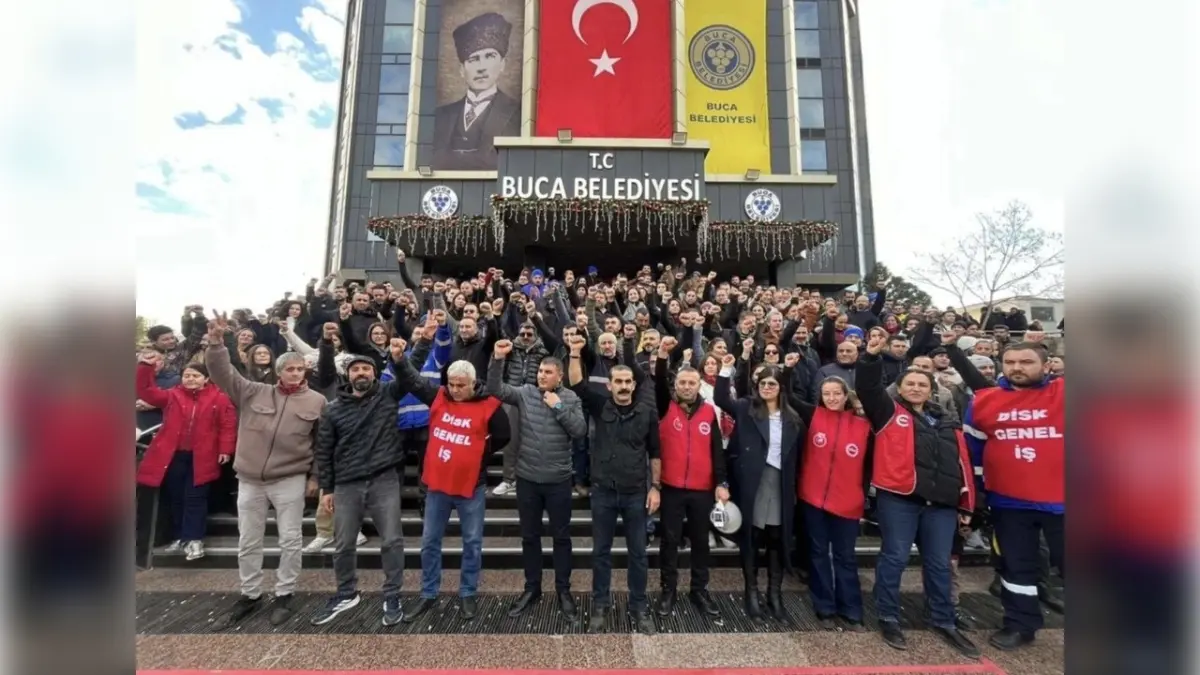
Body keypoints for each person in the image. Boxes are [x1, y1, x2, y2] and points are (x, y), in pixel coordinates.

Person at [854, 333, 980, 659]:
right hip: (900, 499)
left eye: (922, 385)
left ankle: (942, 618)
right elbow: (867, 388)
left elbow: (961, 463)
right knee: (894, 559)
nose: (916, 388)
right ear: (900, 387)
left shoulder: (947, 420)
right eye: (909, 383)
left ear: (932, 389)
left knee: (939, 564)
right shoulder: (887, 412)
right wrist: (870, 357)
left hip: (941, 504)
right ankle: (888, 616)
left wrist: (965, 503)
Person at [205, 316, 329, 630]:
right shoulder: (252, 391)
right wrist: (218, 343)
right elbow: (222, 373)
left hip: (289, 478)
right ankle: (250, 593)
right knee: (248, 540)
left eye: (300, 369)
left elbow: (322, 443)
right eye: (290, 369)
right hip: (249, 479)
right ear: (279, 371)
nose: (295, 374)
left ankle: (285, 593)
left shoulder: (318, 401)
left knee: (290, 540)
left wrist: (316, 477)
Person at [949, 333, 1065, 651]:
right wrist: (977, 498)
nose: (1017, 368)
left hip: (1065, 501)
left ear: (1047, 365)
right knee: (1016, 567)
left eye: (1027, 362)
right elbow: (973, 454)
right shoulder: (984, 401)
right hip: (1009, 503)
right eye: (1010, 362)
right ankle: (1020, 624)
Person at [310, 334, 430, 627]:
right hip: (346, 483)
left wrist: (414, 348)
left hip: (384, 479)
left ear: (375, 373)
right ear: (347, 375)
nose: (361, 373)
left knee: (392, 540)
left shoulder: (388, 394)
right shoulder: (333, 408)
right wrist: (327, 488)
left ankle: (392, 594)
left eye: (366, 369)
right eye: (355, 369)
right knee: (343, 544)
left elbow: (409, 370)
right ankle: (346, 592)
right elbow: (323, 450)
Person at [387, 345, 511, 622]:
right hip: (437, 486)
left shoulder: (489, 404)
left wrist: (477, 454)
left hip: (471, 487)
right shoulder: (439, 396)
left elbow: (504, 435)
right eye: (452, 384)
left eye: (461, 386)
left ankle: (468, 593)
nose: (455, 390)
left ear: (472, 382)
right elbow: (412, 381)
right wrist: (398, 360)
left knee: (472, 542)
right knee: (430, 542)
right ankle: (428, 593)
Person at [565, 334, 660, 635]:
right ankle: (600, 605)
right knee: (601, 552)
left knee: (638, 554)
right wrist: (574, 353)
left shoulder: (647, 413)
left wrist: (655, 487)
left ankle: (639, 606)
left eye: (627, 381)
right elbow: (578, 383)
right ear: (609, 385)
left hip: (635, 492)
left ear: (634, 384)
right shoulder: (598, 404)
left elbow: (655, 452)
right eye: (616, 381)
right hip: (603, 492)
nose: (622, 386)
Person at [487, 339, 588, 621]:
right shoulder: (526, 393)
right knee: (530, 537)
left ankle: (563, 591)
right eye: (539, 371)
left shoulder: (570, 398)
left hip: (558, 481)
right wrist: (497, 359)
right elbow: (496, 389)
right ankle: (532, 589)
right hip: (528, 479)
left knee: (561, 538)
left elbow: (580, 431)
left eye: (547, 372)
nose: (541, 375)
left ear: (560, 375)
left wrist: (558, 407)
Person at [713, 353, 804, 622]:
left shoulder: (792, 417)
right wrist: (726, 368)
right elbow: (720, 399)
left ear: (781, 387)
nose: (767, 388)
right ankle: (751, 592)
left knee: (776, 538)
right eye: (763, 383)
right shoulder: (746, 407)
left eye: (772, 384)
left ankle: (774, 595)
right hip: (754, 481)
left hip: (780, 483)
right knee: (751, 538)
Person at [650, 336, 729, 619]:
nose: (686, 386)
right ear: (676, 385)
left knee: (699, 541)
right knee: (669, 541)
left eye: (691, 383)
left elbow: (717, 450)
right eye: (682, 382)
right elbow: (658, 380)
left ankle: (699, 590)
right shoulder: (664, 406)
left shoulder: (709, 412)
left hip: (702, 489)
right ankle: (668, 590)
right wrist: (661, 355)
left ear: (699, 385)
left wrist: (721, 482)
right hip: (671, 487)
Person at [788, 366, 871, 631]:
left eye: (837, 393)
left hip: (847, 500)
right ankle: (824, 606)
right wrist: (789, 369)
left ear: (846, 395)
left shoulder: (863, 426)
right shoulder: (813, 416)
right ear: (820, 396)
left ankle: (851, 609)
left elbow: (869, 466)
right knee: (818, 553)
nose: (832, 398)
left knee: (845, 557)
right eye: (827, 394)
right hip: (813, 498)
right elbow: (787, 395)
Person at [135, 357, 236, 561]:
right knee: (176, 497)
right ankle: (180, 537)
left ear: (206, 379)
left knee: (195, 498)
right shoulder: (172, 395)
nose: (190, 379)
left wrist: (225, 449)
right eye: (187, 376)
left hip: (203, 457)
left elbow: (227, 425)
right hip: (174, 456)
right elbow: (146, 391)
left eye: (195, 375)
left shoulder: (219, 398)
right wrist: (145, 367)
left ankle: (194, 539)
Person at [432, 12, 521, 171]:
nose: (481, 68)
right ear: (461, 69)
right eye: (473, 59)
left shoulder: (518, 114)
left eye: (489, 56)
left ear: (502, 64)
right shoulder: (441, 116)